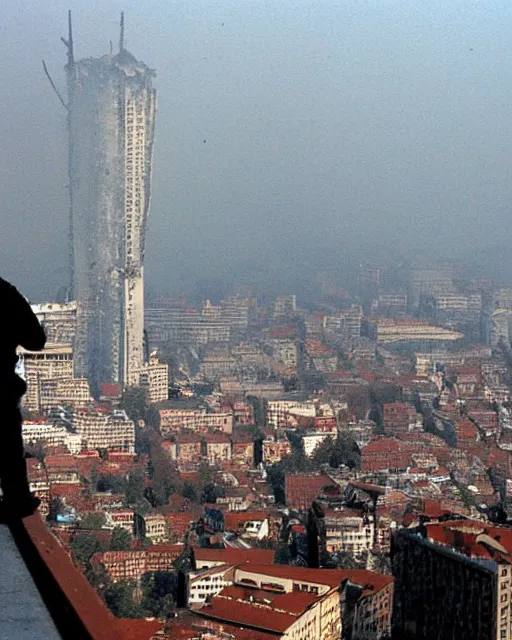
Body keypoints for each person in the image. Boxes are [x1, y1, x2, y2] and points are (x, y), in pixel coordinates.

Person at [0, 278, 46, 519]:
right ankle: (16, 499)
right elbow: (36, 340)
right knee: (8, 449)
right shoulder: (5, 294)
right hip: (0, 396)